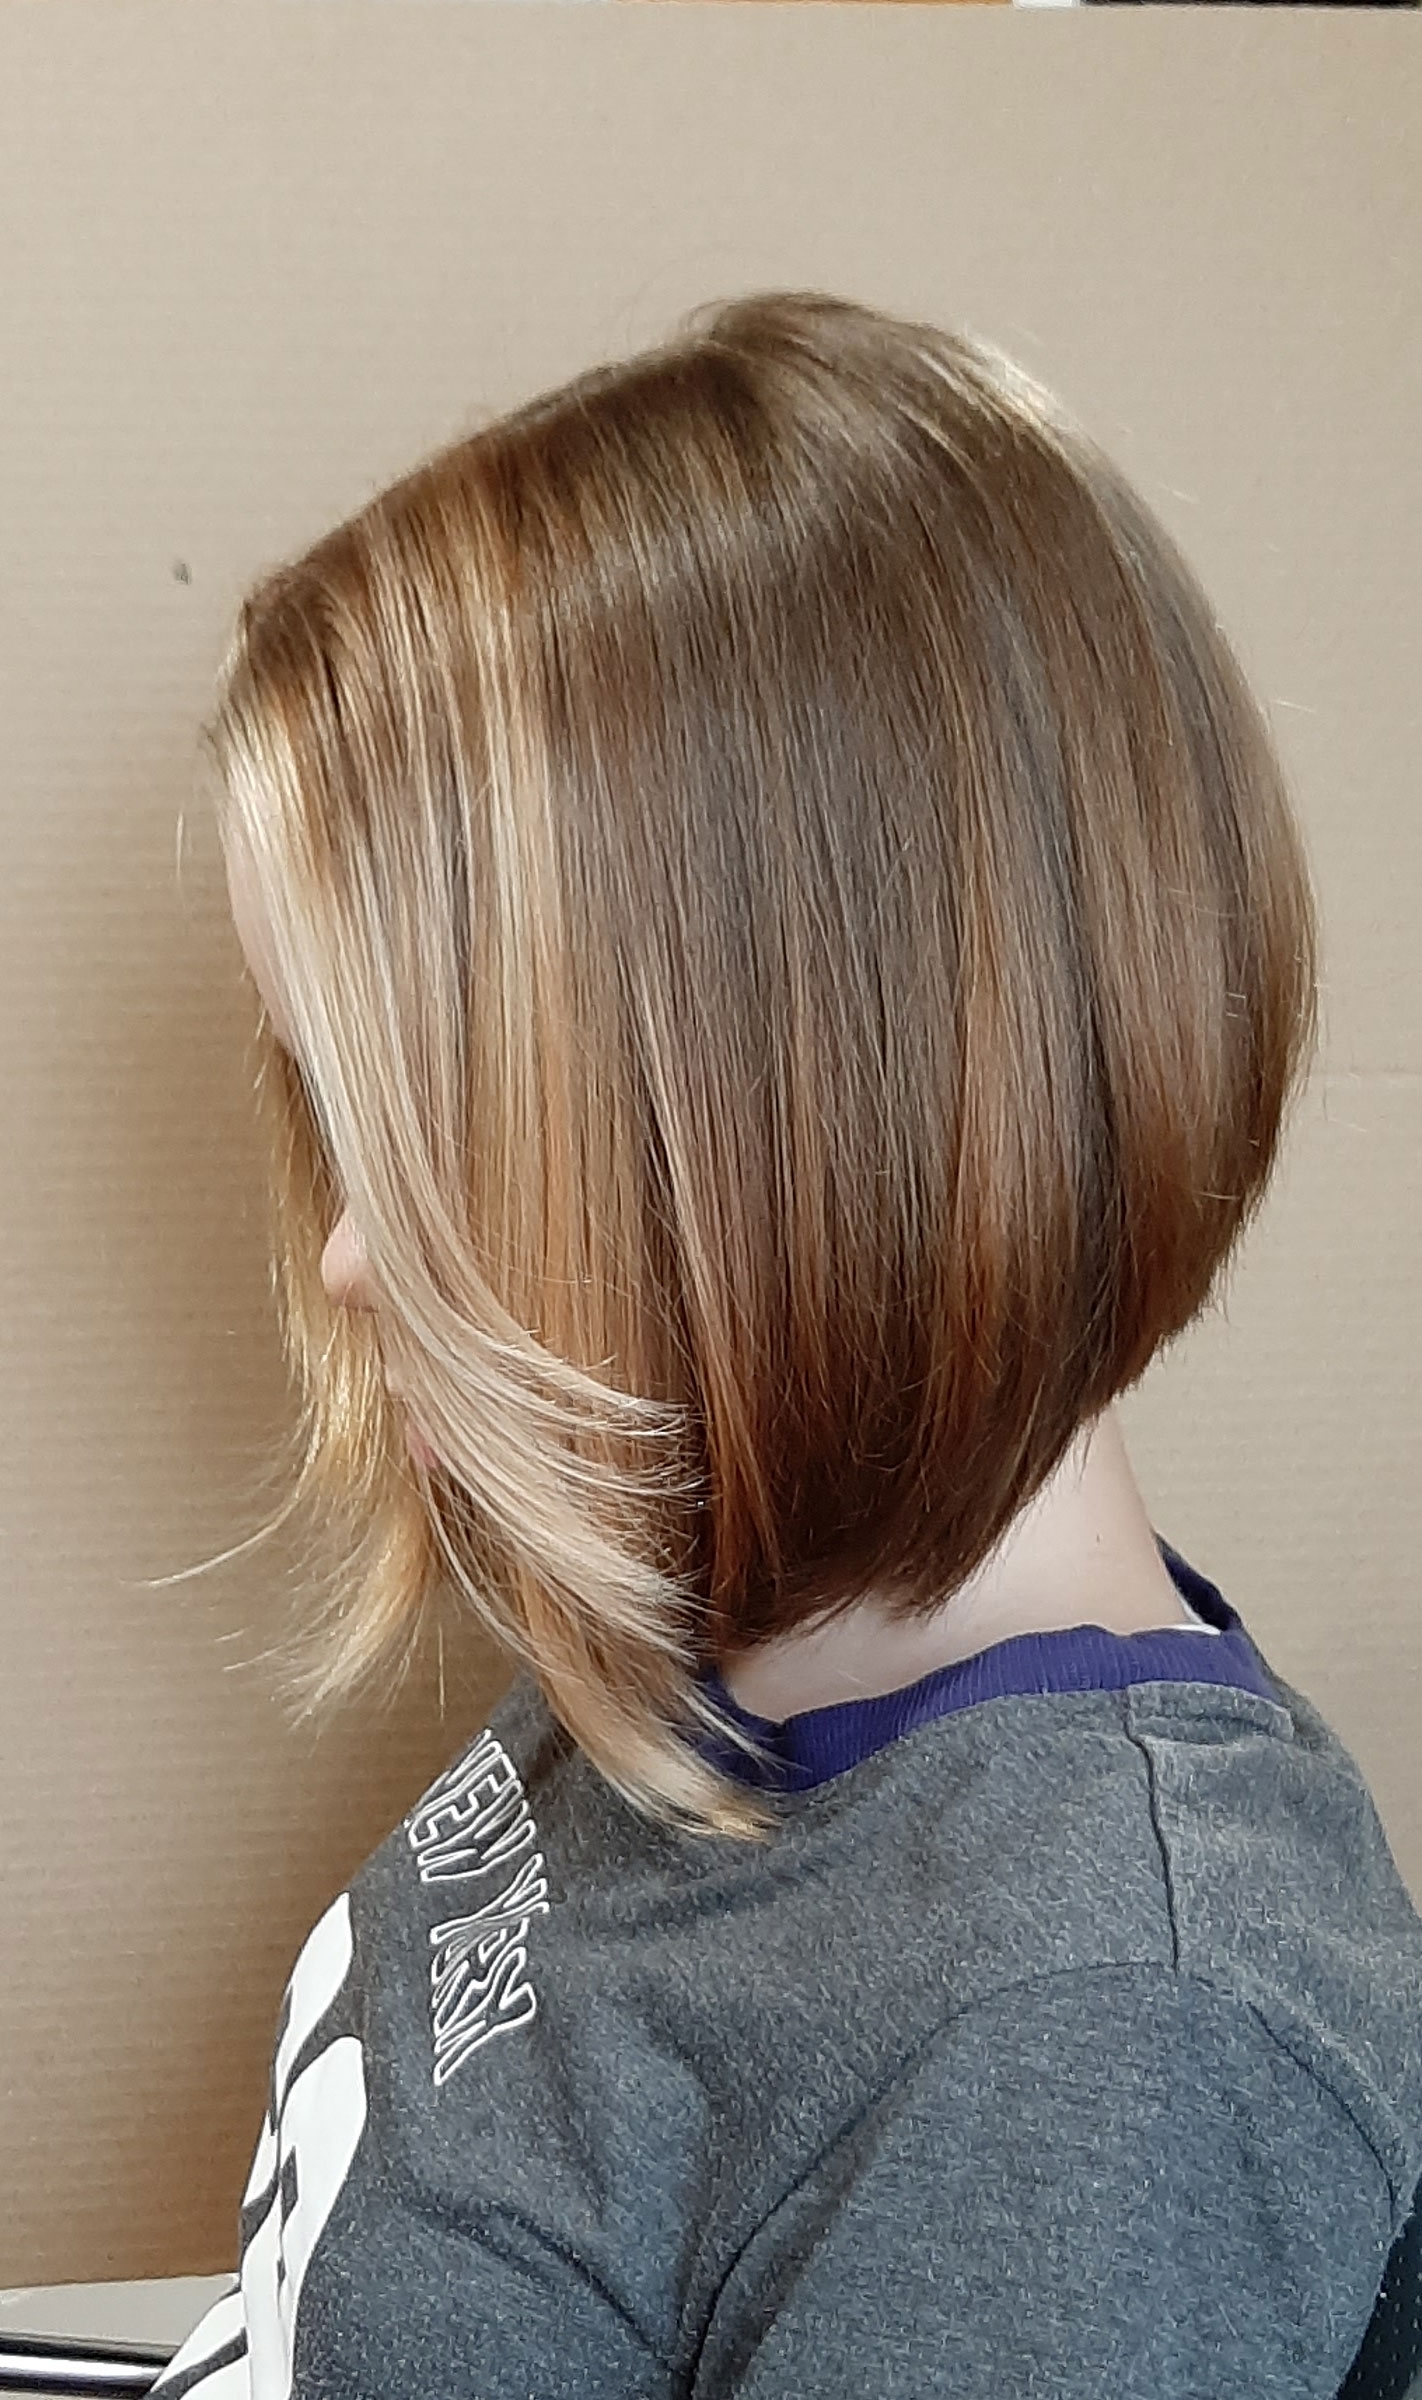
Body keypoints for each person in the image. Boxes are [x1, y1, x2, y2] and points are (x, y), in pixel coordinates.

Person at [152, 290, 1422, 2397]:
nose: (350, 1254)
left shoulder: (1099, 2048)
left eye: (433, 1136)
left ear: (780, 1139)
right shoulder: (716, 1622)